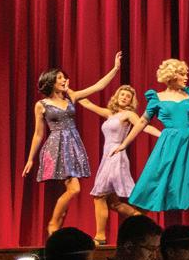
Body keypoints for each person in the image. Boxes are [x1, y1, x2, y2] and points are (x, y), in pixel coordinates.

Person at [111, 59, 189, 229]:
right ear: (171, 76)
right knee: (157, 179)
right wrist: (124, 144)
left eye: (186, 74)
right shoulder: (157, 98)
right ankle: (138, 228)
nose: (186, 77)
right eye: (182, 74)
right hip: (170, 143)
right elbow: (142, 122)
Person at [22, 51, 122, 235]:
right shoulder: (42, 104)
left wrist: (115, 69)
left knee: (72, 188)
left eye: (64, 77)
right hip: (56, 146)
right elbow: (38, 134)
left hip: (73, 145)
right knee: (74, 188)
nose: (64, 80)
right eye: (60, 78)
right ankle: (53, 223)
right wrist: (30, 159)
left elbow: (98, 86)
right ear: (51, 81)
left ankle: (56, 229)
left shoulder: (71, 97)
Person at [78, 84, 161, 245]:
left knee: (99, 196)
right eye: (122, 94)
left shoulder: (129, 114)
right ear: (117, 96)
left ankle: (100, 237)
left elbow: (144, 126)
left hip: (116, 156)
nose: (124, 97)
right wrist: (67, 91)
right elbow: (87, 103)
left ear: (131, 101)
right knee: (114, 203)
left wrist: (163, 135)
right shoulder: (110, 114)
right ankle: (146, 223)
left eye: (128, 96)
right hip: (107, 157)